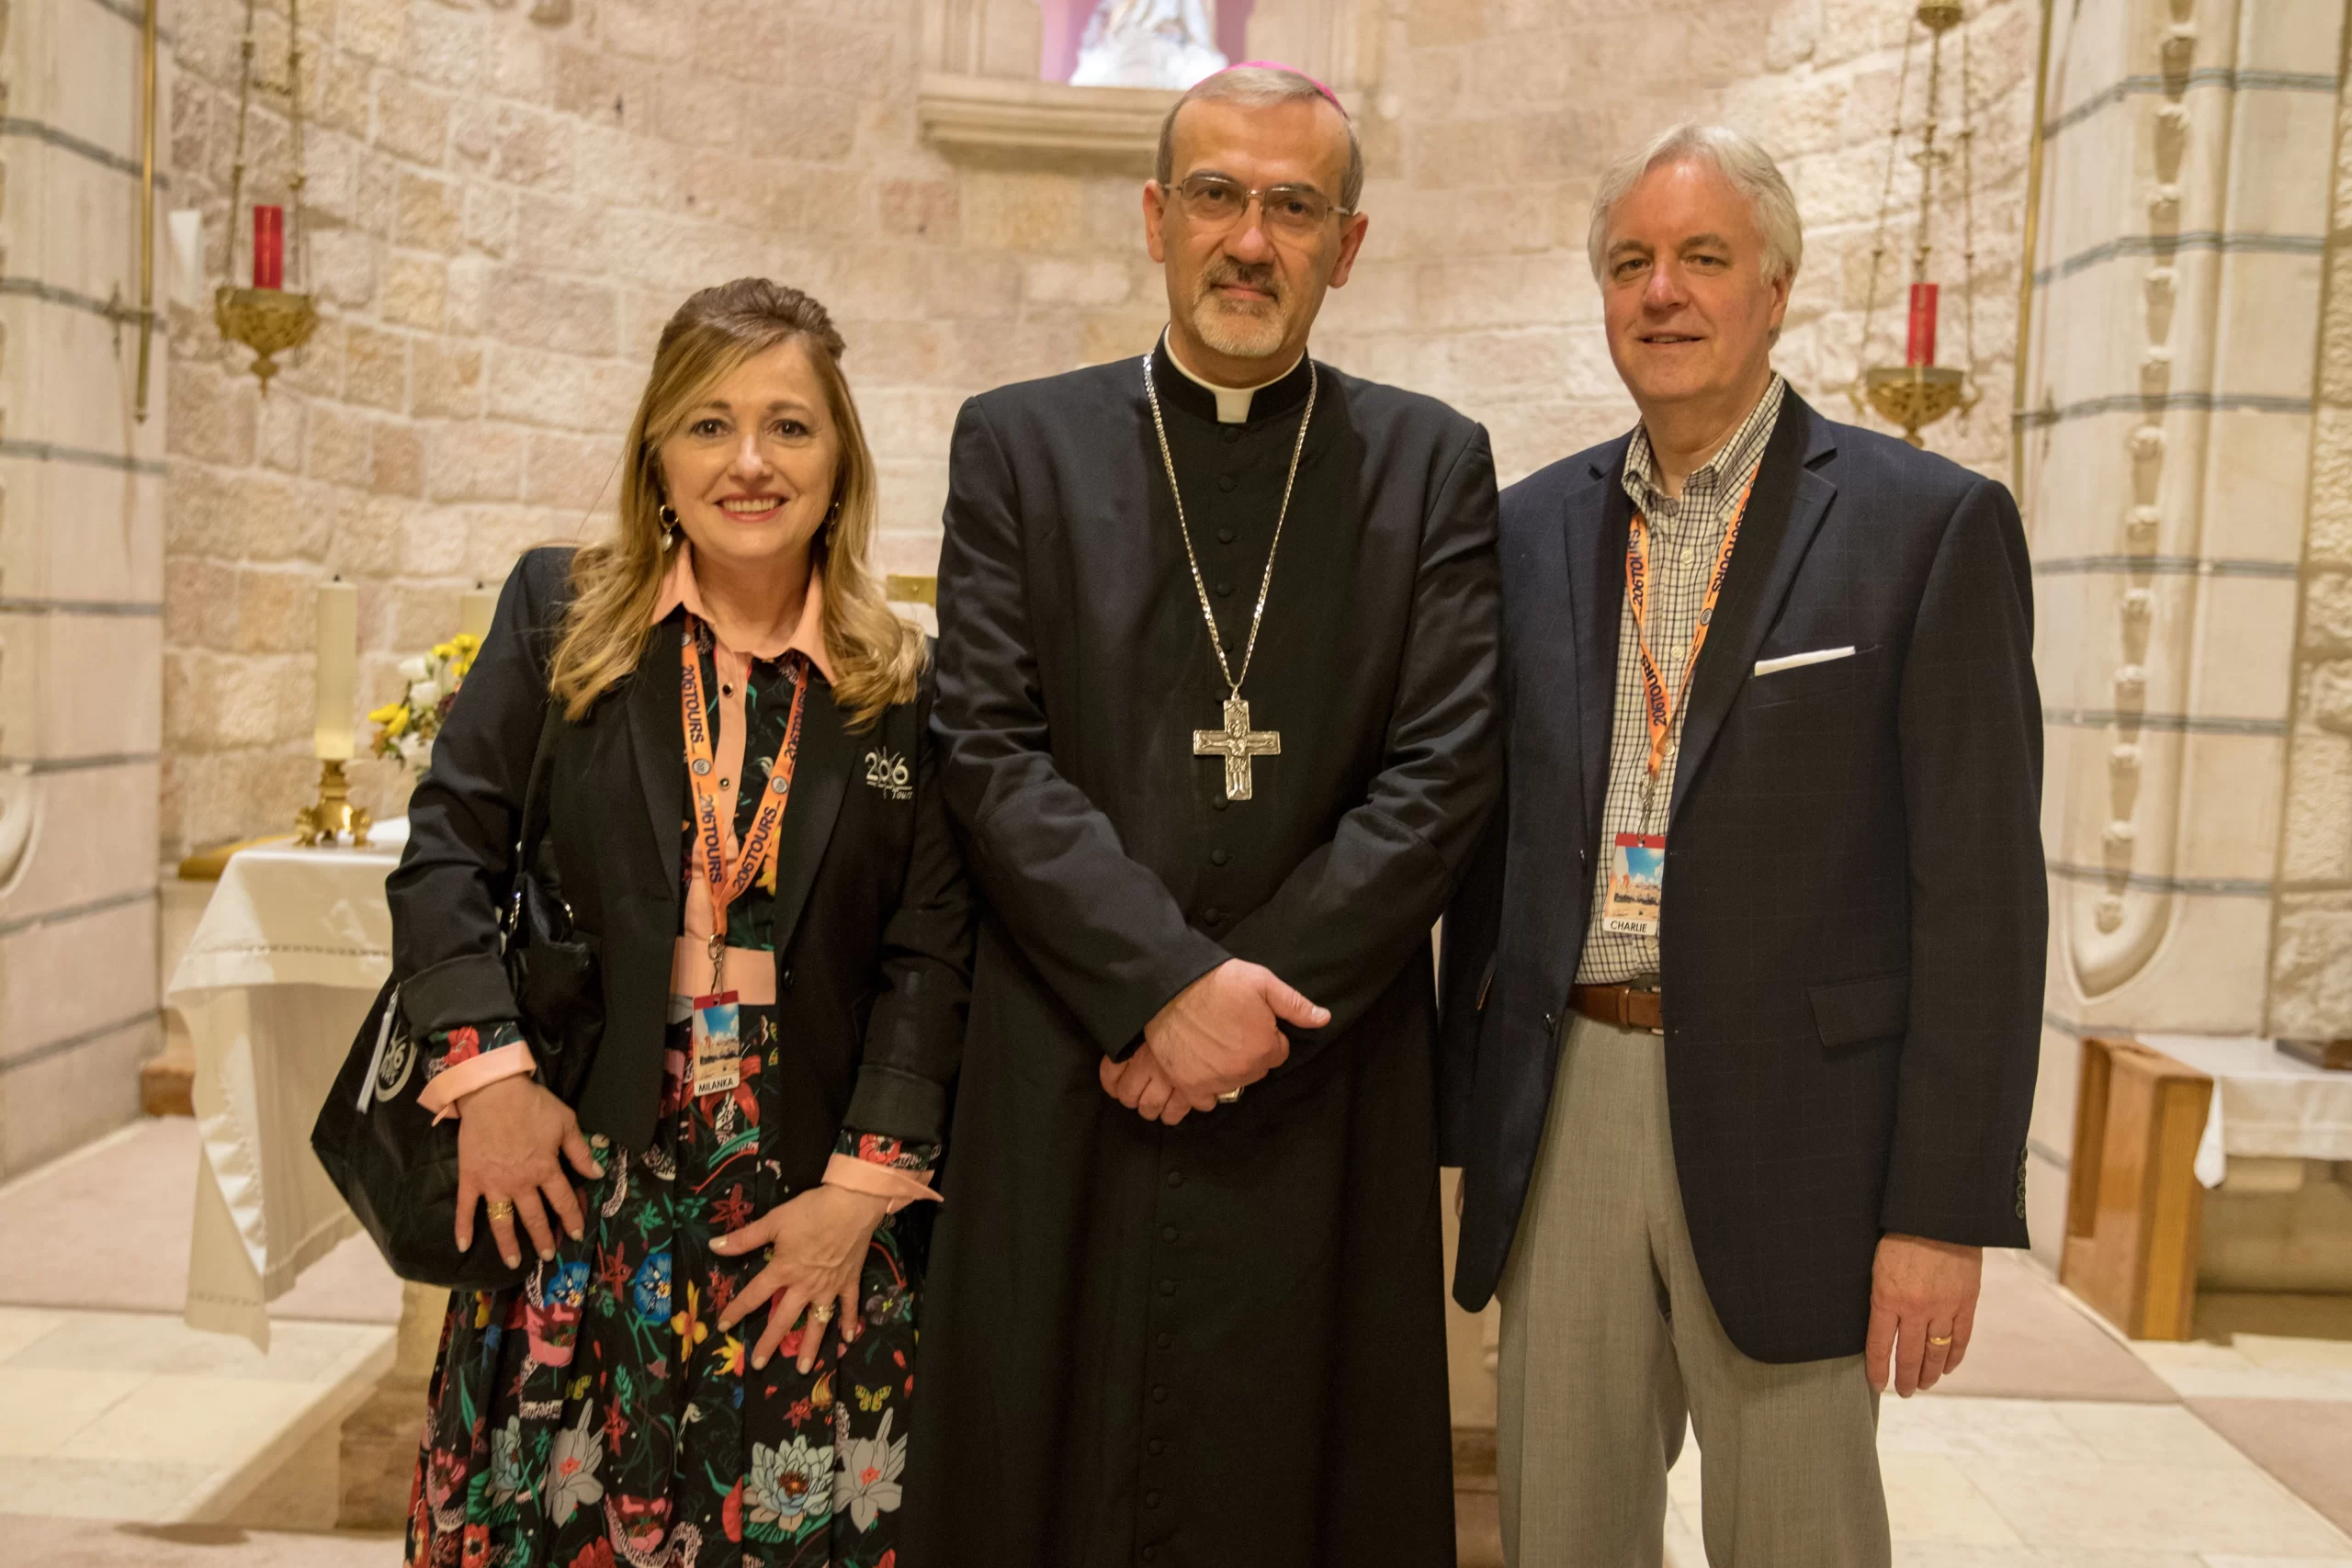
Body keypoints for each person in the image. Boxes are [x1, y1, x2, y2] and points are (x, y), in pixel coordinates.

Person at [904, 64, 1503, 1568]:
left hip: (1320, 1071)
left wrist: (1247, 1007)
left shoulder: (1431, 464)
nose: (1253, 239)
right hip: (1076, 1054)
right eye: (1221, 198)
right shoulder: (1021, 444)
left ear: (1345, 245)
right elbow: (983, 742)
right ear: (1158, 221)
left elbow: (1443, 773)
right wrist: (1164, 985)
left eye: (1295, 206)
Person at [1442, 124, 2043, 1566]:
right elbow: (1475, 843)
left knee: (1798, 1534)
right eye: (1631, 262)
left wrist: (1941, 1209)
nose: (1663, 291)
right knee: (1562, 1528)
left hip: (1805, 1132)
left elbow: (1981, 894)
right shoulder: (1523, 531)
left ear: (1774, 288)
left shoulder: (1926, 527)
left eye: (1702, 258)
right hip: (1571, 1091)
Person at [389, 278, 972, 1568]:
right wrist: (489, 1079)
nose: (749, 462)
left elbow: (930, 952)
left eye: (790, 426)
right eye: (709, 424)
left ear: (841, 460)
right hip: (578, 1159)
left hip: (810, 1185)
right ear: (658, 452)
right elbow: (445, 856)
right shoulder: (561, 613)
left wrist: (861, 1189)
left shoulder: (906, 679)